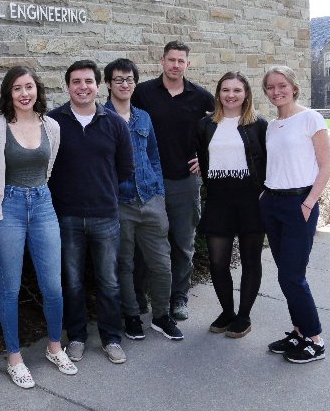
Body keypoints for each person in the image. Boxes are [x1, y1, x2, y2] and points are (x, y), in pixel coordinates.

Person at [0, 67, 77, 389]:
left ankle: (54, 347)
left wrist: (36, 193)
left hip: (44, 204)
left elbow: (49, 166)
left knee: (53, 286)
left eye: (29, 87)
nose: (24, 93)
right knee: (10, 288)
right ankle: (15, 358)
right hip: (8, 209)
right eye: (17, 88)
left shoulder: (52, 126)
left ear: (38, 90)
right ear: (9, 93)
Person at [48, 60, 134, 364]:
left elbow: (125, 169)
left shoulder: (113, 123)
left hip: (105, 216)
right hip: (66, 216)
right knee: (72, 282)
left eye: (88, 81)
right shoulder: (53, 122)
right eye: (76, 81)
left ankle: (111, 338)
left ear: (98, 85)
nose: (82, 87)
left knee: (109, 282)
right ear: (68, 85)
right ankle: (78, 337)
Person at [132, 41, 214, 320]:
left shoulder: (201, 97)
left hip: (185, 181)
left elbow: (224, 127)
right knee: (145, 244)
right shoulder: (143, 93)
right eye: (171, 60)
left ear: (187, 64)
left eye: (181, 61)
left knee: (182, 243)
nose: (176, 65)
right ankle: (139, 298)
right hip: (148, 182)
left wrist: (207, 159)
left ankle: (179, 299)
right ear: (162, 61)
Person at [103, 58, 183, 342]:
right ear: (109, 84)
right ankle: (132, 315)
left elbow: (154, 157)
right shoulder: (102, 118)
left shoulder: (143, 118)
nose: (124, 84)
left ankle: (162, 315)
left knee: (161, 262)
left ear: (135, 83)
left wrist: (159, 193)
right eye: (118, 79)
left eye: (129, 79)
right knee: (124, 264)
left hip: (150, 199)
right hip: (120, 203)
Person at [260, 66, 330, 363]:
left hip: (298, 204)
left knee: (293, 275)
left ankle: (315, 340)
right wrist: (265, 194)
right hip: (272, 202)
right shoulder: (273, 125)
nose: (276, 91)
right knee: (285, 274)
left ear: (293, 87)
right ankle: (299, 331)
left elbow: (325, 166)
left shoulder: (311, 118)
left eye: (282, 85)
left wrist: (308, 203)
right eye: (270, 87)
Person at [196, 71, 267, 338]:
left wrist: (265, 192)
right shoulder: (205, 125)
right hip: (219, 198)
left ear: (246, 94)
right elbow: (203, 160)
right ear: (218, 94)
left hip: (251, 198)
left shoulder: (258, 124)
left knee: (251, 260)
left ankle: (244, 316)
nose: (231, 95)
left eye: (237, 90)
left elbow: (267, 161)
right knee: (217, 261)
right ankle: (227, 311)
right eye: (226, 90)